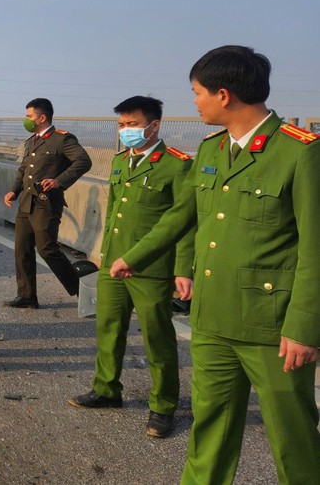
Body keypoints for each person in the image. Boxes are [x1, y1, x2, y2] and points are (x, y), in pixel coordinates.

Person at [110, 46, 320, 483]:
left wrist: (305, 327)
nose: (194, 101)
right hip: (211, 322)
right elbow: (179, 216)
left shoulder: (300, 153)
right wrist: (133, 256)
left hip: (273, 330)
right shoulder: (210, 150)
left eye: (197, 92)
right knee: (210, 431)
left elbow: (315, 250)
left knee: (293, 439)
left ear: (223, 95)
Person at [69, 96, 194, 439]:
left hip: (152, 269)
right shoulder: (123, 161)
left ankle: (164, 405)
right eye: (121, 125)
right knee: (108, 329)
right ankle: (107, 389)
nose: (125, 131)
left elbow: (185, 222)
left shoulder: (177, 165)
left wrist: (184, 269)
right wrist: (102, 253)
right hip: (114, 264)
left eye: (132, 125)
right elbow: (115, 217)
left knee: (158, 338)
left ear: (154, 125)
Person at [3, 98, 92, 307]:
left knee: (47, 249)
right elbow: (24, 169)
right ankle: (26, 296)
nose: (26, 120)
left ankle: (84, 293)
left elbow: (84, 161)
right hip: (26, 202)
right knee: (22, 249)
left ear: (42, 118)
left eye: (29, 116)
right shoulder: (31, 141)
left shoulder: (62, 140)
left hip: (46, 203)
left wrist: (58, 181)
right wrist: (13, 191)